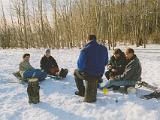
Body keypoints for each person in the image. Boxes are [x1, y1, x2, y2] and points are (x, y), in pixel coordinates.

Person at [74, 35, 108, 103]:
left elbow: (80, 66)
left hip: (89, 75)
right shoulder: (104, 48)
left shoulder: (85, 50)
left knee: (76, 72)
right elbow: (106, 62)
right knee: (97, 80)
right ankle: (100, 85)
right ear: (95, 39)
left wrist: (84, 71)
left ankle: (81, 92)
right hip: (100, 74)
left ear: (88, 40)